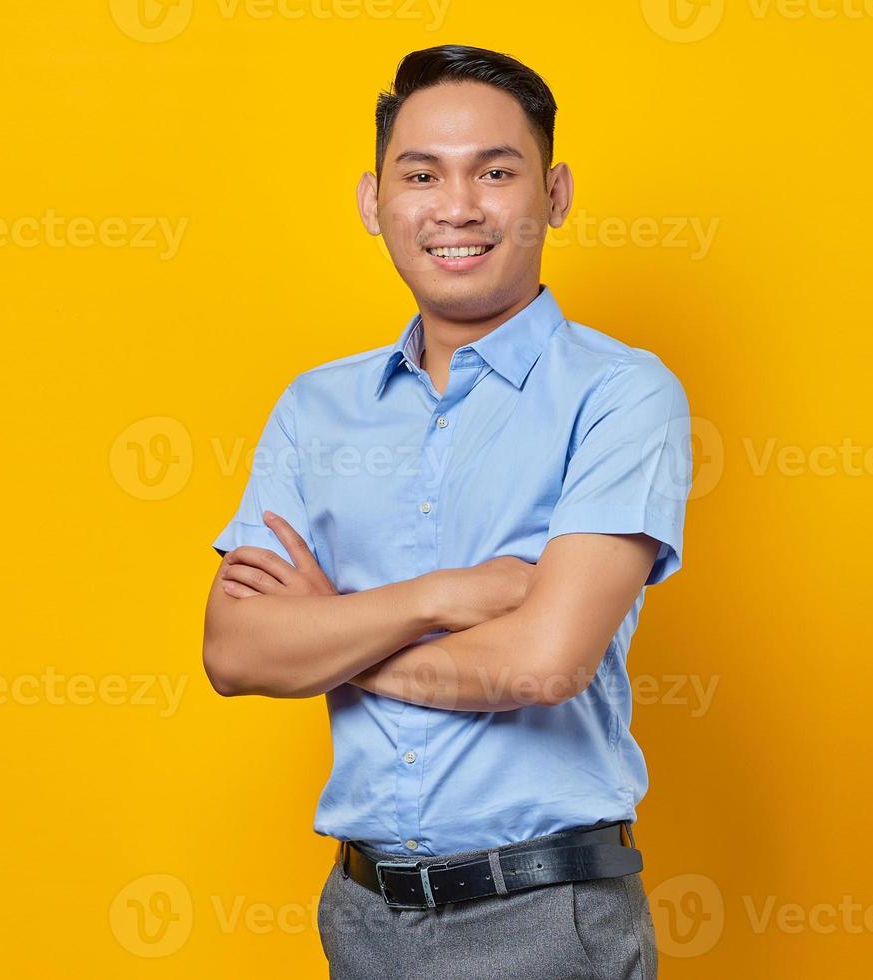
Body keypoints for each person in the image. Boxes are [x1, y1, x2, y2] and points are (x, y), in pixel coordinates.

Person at [202, 43, 691, 980]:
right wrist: (447, 595)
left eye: (495, 172)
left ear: (553, 194)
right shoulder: (316, 407)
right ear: (372, 200)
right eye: (421, 173)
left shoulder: (621, 394)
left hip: (543, 918)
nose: (457, 207)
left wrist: (328, 636)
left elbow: (545, 665)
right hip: (360, 915)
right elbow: (235, 653)